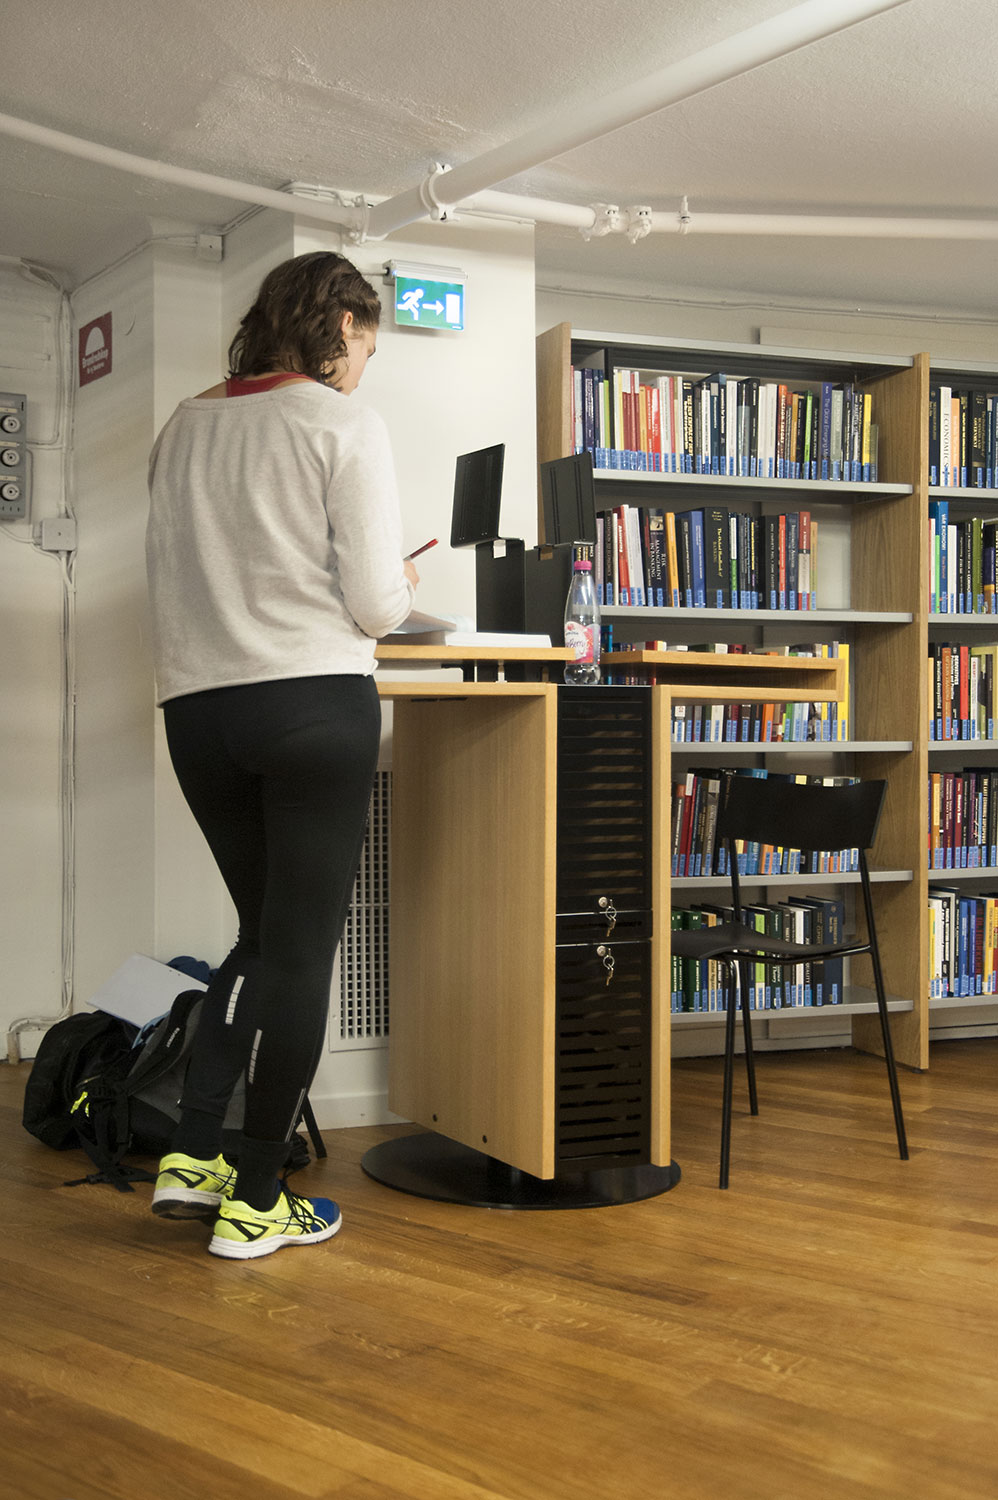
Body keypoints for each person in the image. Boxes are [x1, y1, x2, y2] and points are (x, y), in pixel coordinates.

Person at [144, 251, 418, 1259]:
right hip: (309, 705)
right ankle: (258, 1197)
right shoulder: (340, 422)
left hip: (198, 712)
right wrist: (396, 582)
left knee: (260, 938)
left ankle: (194, 1156)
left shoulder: (183, 425)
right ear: (341, 323)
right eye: (366, 347)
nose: (362, 368)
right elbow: (377, 606)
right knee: (299, 952)